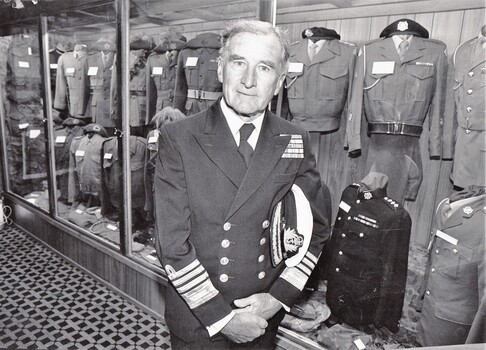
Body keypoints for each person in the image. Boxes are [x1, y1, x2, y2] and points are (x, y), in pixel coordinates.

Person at [154, 19, 329, 349]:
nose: (249, 81)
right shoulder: (179, 138)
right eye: (239, 63)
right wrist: (223, 319)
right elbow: (171, 244)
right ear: (221, 69)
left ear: (279, 82)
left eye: (264, 68)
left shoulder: (294, 139)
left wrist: (278, 298)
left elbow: (315, 230)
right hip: (199, 320)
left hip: (262, 315)